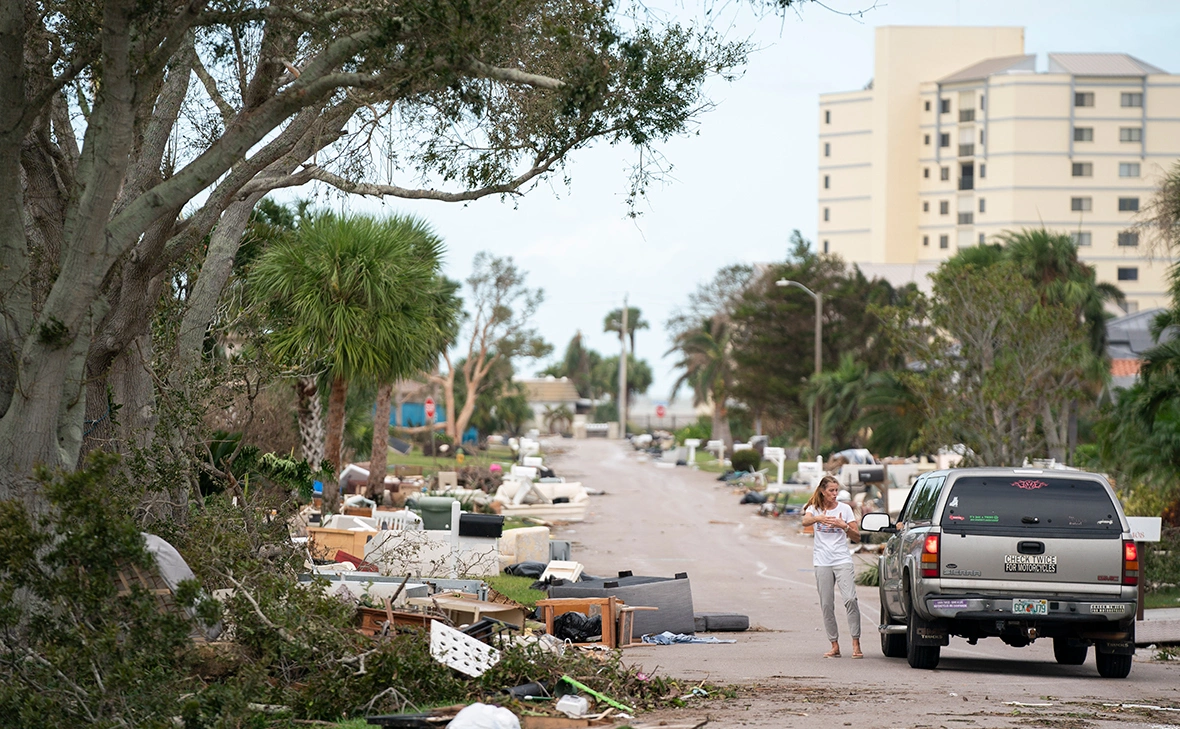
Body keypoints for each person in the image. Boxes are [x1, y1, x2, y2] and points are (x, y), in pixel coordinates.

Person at [801, 475, 862, 658]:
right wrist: (818, 518)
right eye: (831, 491)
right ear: (823, 491)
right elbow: (805, 521)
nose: (835, 494)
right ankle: (834, 645)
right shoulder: (814, 508)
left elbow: (857, 537)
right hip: (822, 561)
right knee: (827, 604)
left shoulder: (845, 509)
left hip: (842, 559)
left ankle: (856, 643)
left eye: (836, 490)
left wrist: (843, 526)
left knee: (850, 599)